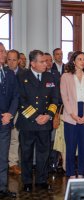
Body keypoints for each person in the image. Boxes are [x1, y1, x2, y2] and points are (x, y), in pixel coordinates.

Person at [16, 50, 59, 192]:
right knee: (26, 153)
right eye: (41, 62)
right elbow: (21, 100)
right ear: (32, 63)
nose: (45, 64)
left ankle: (41, 180)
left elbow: (55, 99)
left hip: (45, 122)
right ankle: (27, 181)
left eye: (46, 61)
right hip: (28, 123)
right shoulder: (22, 76)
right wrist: (35, 116)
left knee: (43, 153)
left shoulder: (50, 77)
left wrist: (48, 115)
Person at [60, 51, 84, 179]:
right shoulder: (66, 76)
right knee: (70, 145)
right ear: (73, 61)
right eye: (79, 59)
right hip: (71, 114)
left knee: (83, 145)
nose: (83, 61)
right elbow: (64, 97)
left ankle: (81, 171)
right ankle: (70, 172)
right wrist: (73, 115)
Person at [0, 42, 18, 198]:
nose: (3, 54)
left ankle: (2, 188)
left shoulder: (10, 73)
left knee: (3, 156)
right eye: (0, 51)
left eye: (4, 51)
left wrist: (10, 114)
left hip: (5, 122)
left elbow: (15, 96)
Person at [6, 49, 25, 175]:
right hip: (4, 111)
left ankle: (12, 163)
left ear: (18, 61)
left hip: (19, 111)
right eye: (9, 60)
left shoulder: (24, 74)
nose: (11, 63)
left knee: (14, 137)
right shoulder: (4, 73)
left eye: (14, 60)